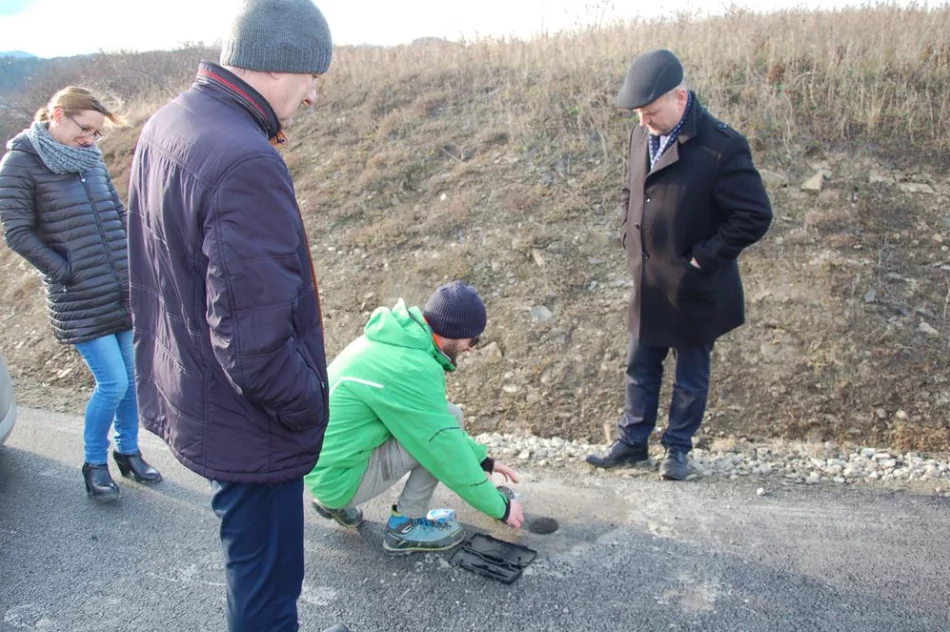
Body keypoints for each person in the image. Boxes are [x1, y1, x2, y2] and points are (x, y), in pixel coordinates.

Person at [125, 1, 347, 631]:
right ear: (280, 67)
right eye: (312, 79)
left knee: (249, 575)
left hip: (199, 395)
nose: (312, 98)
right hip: (254, 426)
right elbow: (254, 345)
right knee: (268, 596)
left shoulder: (171, 122)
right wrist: (309, 407)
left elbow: (147, 266)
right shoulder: (246, 160)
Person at [586, 49, 773, 480]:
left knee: (690, 375)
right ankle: (633, 442)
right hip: (649, 278)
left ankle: (677, 450)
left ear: (680, 98)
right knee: (639, 365)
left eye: (651, 112)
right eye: (638, 114)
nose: (643, 122)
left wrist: (702, 258)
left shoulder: (721, 146)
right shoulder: (641, 135)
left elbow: (755, 215)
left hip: (696, 285)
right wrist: (627, 232)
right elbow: (630, 189)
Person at [0, 86, 162, 499]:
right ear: (57, 115)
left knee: (131, 378)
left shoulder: (88, 157)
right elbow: (17, 232)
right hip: (77, 294)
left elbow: (114, 211)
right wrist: (65, 271)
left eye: (96, 133)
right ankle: (94, 462)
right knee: (112, 383)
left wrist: (135, 261)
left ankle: (128, 452)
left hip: (117, 286)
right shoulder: (19, 163)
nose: (90, 139)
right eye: (85, 129)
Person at [305, 281, 525, 554]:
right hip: (338, 479)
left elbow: (433, 416)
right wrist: (502, 508)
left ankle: (333, 503)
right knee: (434, 442)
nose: (470, 348)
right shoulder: (413, 367)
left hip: (320, 464)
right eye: (473, 340)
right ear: (456, 332)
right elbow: (443, 448)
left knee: (445, 417)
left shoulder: (393, 339)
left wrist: (484, 461)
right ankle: (406, 526)